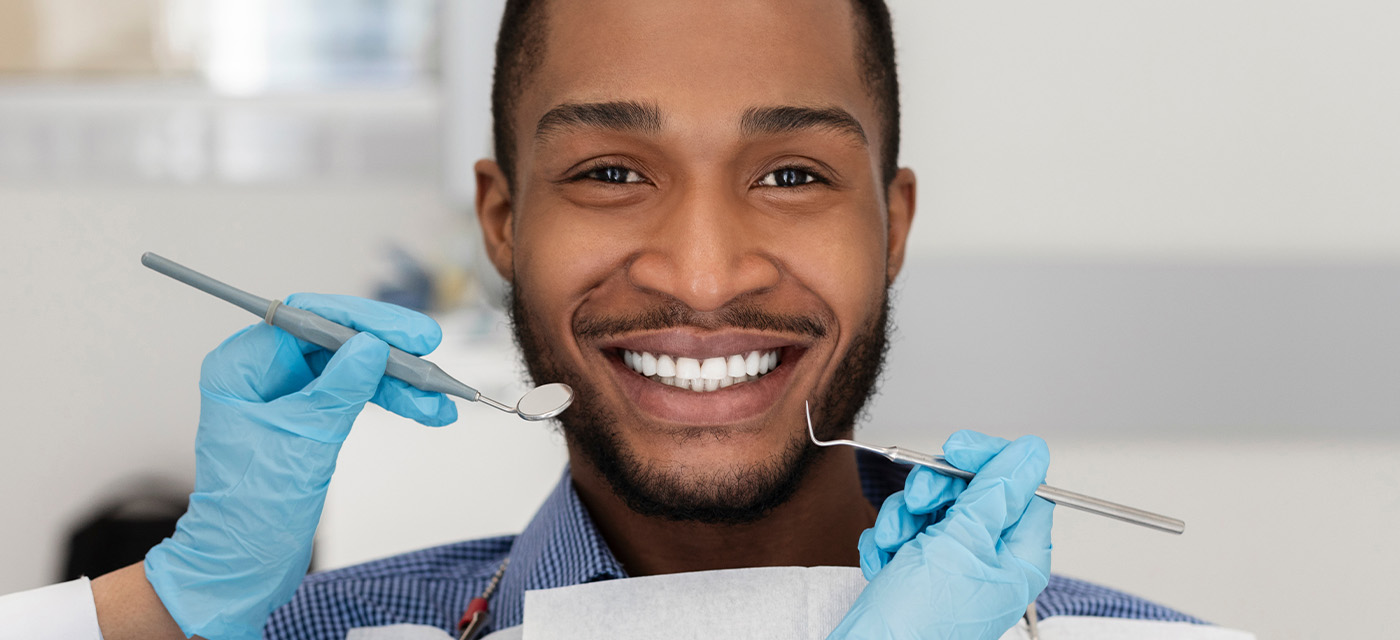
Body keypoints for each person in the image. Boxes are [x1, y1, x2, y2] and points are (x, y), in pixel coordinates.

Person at [0, 1, 1204, 639]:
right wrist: (160, 611)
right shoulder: (293, 637)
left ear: (889, 225)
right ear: (502, 218)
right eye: (610, 174)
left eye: (789, 173)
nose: (699, 272)